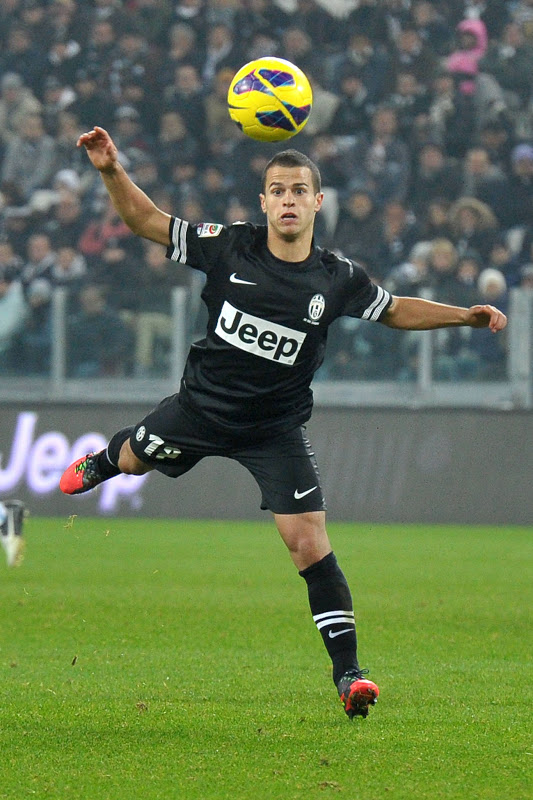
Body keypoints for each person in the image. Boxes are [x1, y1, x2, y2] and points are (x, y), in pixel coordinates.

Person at [60, 126, 507, 720]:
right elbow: (147, 222)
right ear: (264, 201)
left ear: (317, 202)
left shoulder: (337, 277)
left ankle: (349, 675)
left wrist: (465, 317)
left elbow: (395, 309)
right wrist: (110, 169)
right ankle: (103, 460)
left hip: (274, 430)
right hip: (200, 409)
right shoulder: (229, 246)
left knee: (310, 545)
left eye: (299, 190)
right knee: (133, 459)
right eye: (278, 190)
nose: (289, 199)